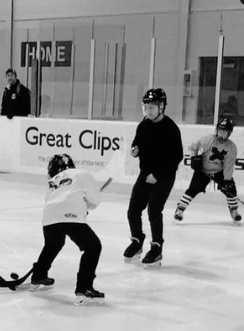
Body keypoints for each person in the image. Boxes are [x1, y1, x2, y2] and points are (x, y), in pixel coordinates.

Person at [24, 153, 105, 305]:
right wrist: (84, 207)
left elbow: (53, 201)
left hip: (49, 217)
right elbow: (94, 202)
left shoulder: (52, 181)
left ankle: (39, 277)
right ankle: (84, 288)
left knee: (53, 244)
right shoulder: (82, 173)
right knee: (93, 247)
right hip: (71, 216)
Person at [123, 88, 183, 267]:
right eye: (146, 107)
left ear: (161, 107)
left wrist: (157, 175)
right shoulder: (143, 125)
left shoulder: (170, 128)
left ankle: (157, 247)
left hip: (163, 176)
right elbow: (137, 143)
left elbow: (176, 157)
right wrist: (135, 150)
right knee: (133, 210)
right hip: (145, 174)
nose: (148, 111)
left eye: (151, 108)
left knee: (154, 211)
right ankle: (137, 241)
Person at [174, 117, 241, 224]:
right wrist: (194, 158)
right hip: (203, 170)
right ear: (217, 130)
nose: (221, 134)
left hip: (219, 171)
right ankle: (180, 209)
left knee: (231, 189)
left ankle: (234, 210)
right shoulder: (208, 139)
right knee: (193, 189)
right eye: (220, 131)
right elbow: (193, 146)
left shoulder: (231, 147)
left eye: (224, 132)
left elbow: (229, 165)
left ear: (229, 133)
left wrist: (227, 180)